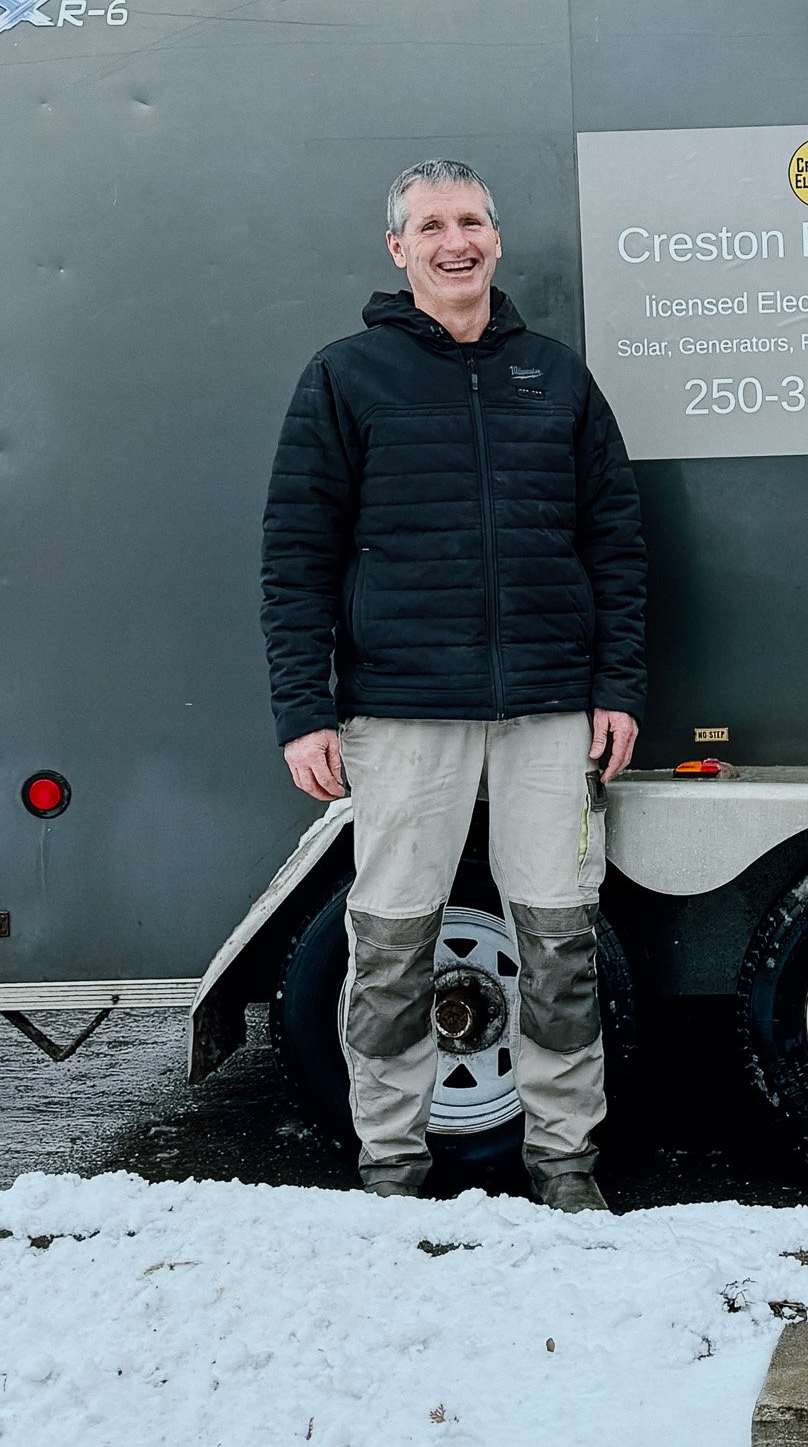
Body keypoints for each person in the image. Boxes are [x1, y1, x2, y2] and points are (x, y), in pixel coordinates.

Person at [261, 159, 648, 1213]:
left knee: (561, 943)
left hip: (548, 710)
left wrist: (615, 688)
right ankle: (389, 1165)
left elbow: (613, 541)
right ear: (398, 250)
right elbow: (297, 554)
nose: (454, 240)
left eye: (470, 219)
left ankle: (565, 1164)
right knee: (389, 945)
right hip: (398, 712)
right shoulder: (347, 377)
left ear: (496, 238)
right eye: (429, 225)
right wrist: (305, 709)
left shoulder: (554, 377)